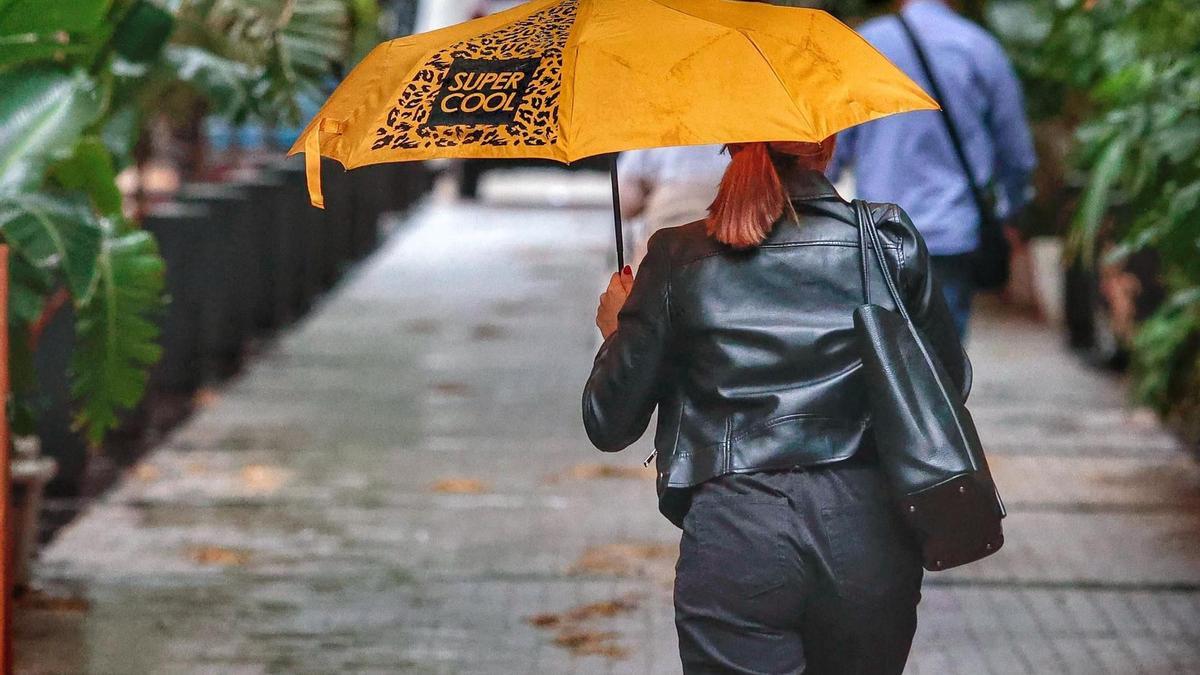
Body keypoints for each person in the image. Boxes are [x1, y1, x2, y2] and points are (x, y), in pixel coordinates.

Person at [583, 141, 969, 674]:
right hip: (870, 527)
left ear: (729, 142)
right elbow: (949, 384)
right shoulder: (886, 240)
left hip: (735, 531)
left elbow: (609, 421)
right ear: (828, 142)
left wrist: (617, 333)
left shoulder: (677, 255)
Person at [827, 0, 1036, 337]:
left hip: (879, 234)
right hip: (952, 231)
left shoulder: (865, 45)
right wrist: (1012, 211)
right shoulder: (978, 46)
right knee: (943, 363)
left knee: (884, 355)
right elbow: (1015, 152)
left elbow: (831, 148)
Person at [618, 145, 729, 266]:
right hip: (722, 240)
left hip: (665, 229)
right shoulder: (737, 136)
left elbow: (627, 203)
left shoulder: (650, 134)